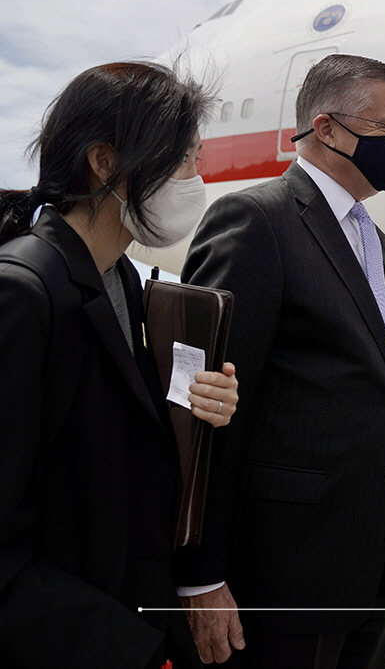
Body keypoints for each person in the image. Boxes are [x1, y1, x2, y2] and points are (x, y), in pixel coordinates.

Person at [177, 53, 385, 668]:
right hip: (278, 581)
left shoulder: (374, 241)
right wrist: (199, 576)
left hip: (366, 578)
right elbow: (202, 411)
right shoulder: (256, 221)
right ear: (328, 128)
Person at [0, 61, 238, 668]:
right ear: (105, 162)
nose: (195, 177)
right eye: (182, 158)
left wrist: (193, 407)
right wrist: (121, 647)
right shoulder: (23, 293)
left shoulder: (122, 281)